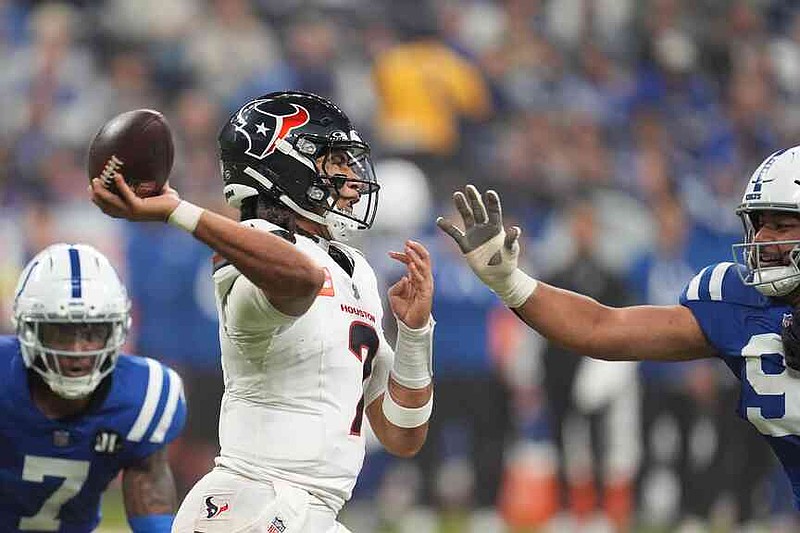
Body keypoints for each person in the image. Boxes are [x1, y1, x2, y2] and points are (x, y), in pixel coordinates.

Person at [88, 91, 435, 532]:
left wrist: (417, 333)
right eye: (334, 161)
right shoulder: (251, 247)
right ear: (285, 166)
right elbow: (300, 279)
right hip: (252, 503)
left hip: (311, 511)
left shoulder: (356, 271)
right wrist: (179, 211)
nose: (350, 176)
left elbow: (402, 433)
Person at [436, 146, 800, 510]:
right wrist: (510, 282)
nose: (763, 239)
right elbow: (602, 327)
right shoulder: (739, 303)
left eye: (781, 225)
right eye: (759, 223)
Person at [1, 243, 186, 532]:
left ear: (117, 330)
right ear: (28, 331)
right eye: (59, 331)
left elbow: (154, 512)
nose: (77, 349)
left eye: (93, 331)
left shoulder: (144, 396)